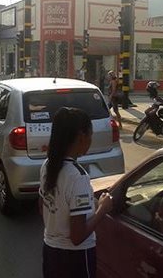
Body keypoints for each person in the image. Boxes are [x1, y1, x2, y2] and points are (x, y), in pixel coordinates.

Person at [39, 107, 113, 278]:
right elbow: (77, 236)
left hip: (50, 250)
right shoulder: (77, 177)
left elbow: (42, 205)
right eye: (90, 135)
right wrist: (102, 208)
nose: (91, 140)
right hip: (75, 258)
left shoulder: (47, 166)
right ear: (81, 137)